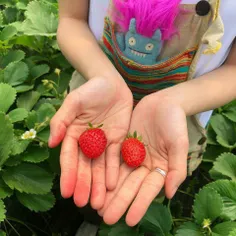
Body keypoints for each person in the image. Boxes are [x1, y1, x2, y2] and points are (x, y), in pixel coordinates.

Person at [49, 0, 236, 227]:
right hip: (94, 102)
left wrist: (175, 102)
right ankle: (86, 217)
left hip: (175, 126)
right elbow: (72, 20)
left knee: (143, 188)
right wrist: (102, 76)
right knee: (82, 179)